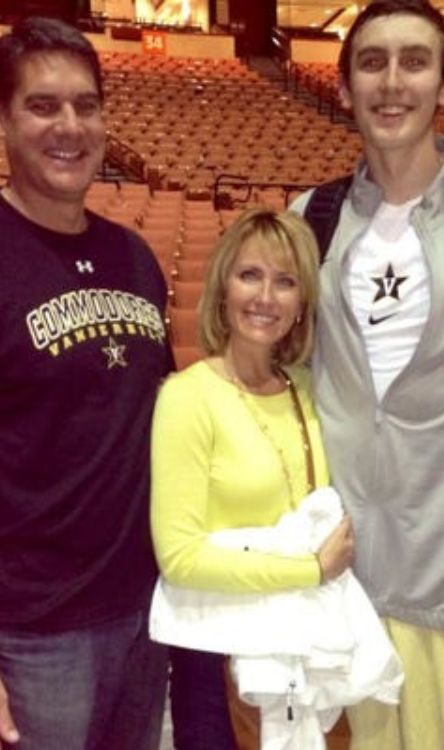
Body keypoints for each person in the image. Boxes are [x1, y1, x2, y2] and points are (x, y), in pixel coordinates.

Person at [291, 0, 444, 748]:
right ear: (343, 87)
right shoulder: (309, 220)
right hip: (348, 592)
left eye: (415, 61)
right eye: (371, 62)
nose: (392, 81)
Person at [0, 17, 174, 750]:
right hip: (34, 635)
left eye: (86, 104)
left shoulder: (134, 258)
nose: (69, 125)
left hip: (143, 614)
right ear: (4, 120)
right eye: (43, 105)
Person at [149, 207, 356, 749]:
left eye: (285, 281)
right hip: (217, 652)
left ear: (302, 303)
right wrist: (309, 570)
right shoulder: (187, 397)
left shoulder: (307, 389)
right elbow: (180, 557)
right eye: (250, 275)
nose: (266, 297)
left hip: (299, 646)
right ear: (223, 288)